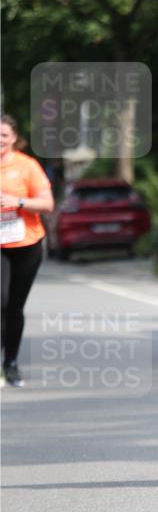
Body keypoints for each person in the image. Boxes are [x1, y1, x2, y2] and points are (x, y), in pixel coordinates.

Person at [0, 115, 54, 387]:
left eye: (4, 135)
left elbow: (47, 204)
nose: (0, 140)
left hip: (26, 243)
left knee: (13, 307)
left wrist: (17, 201)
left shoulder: (27, 166)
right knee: (1, 299)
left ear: (13, 138)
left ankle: (10, 362)